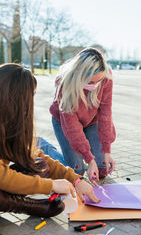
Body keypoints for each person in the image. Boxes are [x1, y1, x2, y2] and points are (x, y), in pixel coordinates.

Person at [0, 63, 99, 218]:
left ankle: (18, 202)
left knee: (41, 164)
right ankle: (29, 206)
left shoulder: (9, 122)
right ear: (13, 99)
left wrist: (76, 180)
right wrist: (51, 185)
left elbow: (35, 155)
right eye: (29, 96)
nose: (30, 104)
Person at [50, 47, 116, 183]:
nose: (96, 85)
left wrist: (107, 150)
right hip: (64, 122)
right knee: (76, 172)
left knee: (102, 170)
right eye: (91, 82)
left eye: (98, 81)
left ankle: (81, 158)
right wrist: (89, 159)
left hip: (92, 121)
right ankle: (47, 150)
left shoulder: (106, 77)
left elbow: (106, 113)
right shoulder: (64, 82)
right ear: (79, 75)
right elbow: (72, 127)